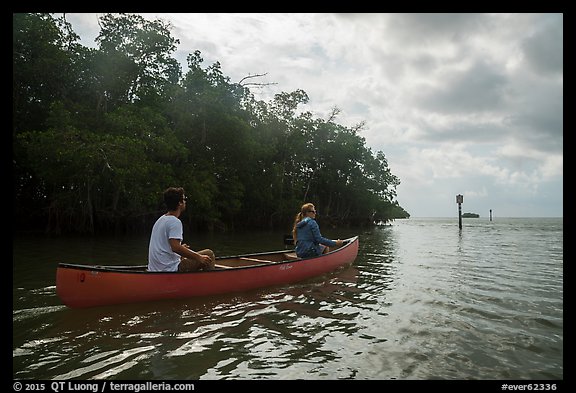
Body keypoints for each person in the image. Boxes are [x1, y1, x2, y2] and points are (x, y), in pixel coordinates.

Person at [148, 187, 215, 272]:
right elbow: (175, 247)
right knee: (209, 254)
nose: (185, 201)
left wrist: (182, 249)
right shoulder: (175, 222)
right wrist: (198, 257)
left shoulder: (161, 219)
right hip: (170, 269)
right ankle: (209, 282)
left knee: (190, 254)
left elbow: (169, 247)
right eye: (184, 199)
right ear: (179, 203)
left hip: (156, 269)